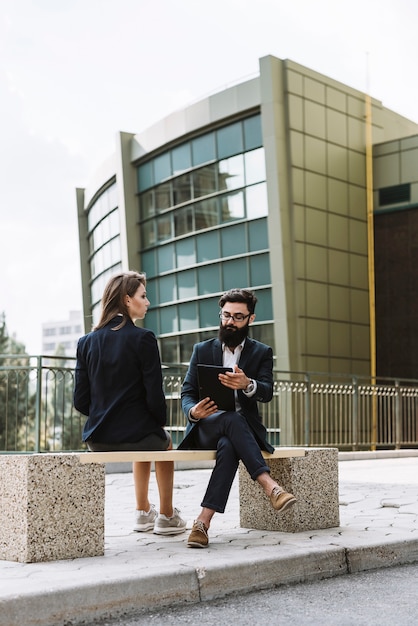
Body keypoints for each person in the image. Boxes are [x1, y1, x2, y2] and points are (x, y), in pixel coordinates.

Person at [178, 288, 296, 548]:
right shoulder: (201, 349)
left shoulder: (261, 352)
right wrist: (193, 412)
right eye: (226, 315)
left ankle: (202, 523)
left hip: (240, 434)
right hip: (207, 427)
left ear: (250, 319)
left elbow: (266, 392)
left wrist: (247, 384)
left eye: (238, 317)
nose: (230, 322)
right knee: (230, 420)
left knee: (230, 443)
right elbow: (186, 393)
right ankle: (270, 486)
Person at [74, 271, 186, 536]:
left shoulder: (86, 343)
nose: (147, 302)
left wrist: (105, 415)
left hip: (98, 439)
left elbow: (80, 401)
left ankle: (142, 513)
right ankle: (167, 516)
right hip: (139, 435)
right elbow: (155, 397)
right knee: (161, 440)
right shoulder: (143, 338)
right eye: (143, 296)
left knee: (147, 437)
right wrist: (158, 423)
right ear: (127, 299)